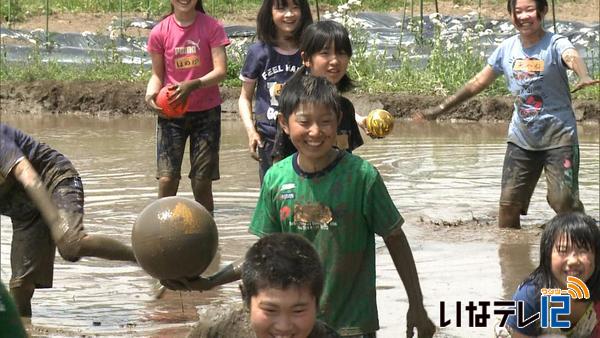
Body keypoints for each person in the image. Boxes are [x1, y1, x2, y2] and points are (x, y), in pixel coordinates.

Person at [162, 75, 435, 337]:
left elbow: (395, 238)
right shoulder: (276, 179)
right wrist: (211, 281)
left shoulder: (362, 177)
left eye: (325, 121)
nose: (315, 132)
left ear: (339, 121)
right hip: (293, 328)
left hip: (351, 326)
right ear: (284, 123)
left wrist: (416, 303)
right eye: (304, 122)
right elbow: (264, 256)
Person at [415, 0, 599, 229]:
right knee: (508, 206)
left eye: (530, 10)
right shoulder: (506, 49)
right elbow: (476, 83)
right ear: (511, 15)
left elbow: (572, 56)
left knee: (562, 201)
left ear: (543, 11)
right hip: (522, 139)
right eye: (518, 11)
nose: (523, 16)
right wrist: (439, 109)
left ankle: (586, 231)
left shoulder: (555, 43)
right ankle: (512, 256)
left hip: (559, 136)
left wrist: (583, 75)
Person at [0, 123, 137, 317]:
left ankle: (140, 258)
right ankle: (25, 329)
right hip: (25, 211)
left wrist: (55, 222)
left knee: (71, 244)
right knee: (20, 286)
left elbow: (28, 175)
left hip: (53, 180)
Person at [145, 0, 230, 213]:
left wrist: (194, 85)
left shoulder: (212, 27)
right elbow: (157, 75)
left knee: (202, 182)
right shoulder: (159, 31)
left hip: (206, 112)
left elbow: (221, 71)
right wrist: (150, 95)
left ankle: (207, 233)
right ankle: (160, 229)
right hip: (171, 113)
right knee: (167, 179)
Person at [186, 233, 339, 338]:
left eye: (298, 311)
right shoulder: (215, 331)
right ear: (246, 299)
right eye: (270, 310)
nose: (283, 327)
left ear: (317, 303)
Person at [238, 0, 312, 184]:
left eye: (295, 7)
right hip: (268, 137)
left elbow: (326, 93)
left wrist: (358, 119)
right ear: (269, 12)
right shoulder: (259, 52)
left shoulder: (311, 51)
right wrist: (251, 132)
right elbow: (244, 98)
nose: (289, 14)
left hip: (305, 136)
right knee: (273, 193)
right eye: (281, 8)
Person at [271, 20, 366, 162]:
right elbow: (279, 162)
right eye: (325, 53)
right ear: (306, 58)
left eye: (341, 53)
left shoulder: (345, 107)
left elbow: (348, 160)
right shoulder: (295, 105)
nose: (335, 61)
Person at [504, 212, 600, 337]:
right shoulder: (530, 296)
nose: (573, 261)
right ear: (547, 256)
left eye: (583, 251)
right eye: (563, 250)